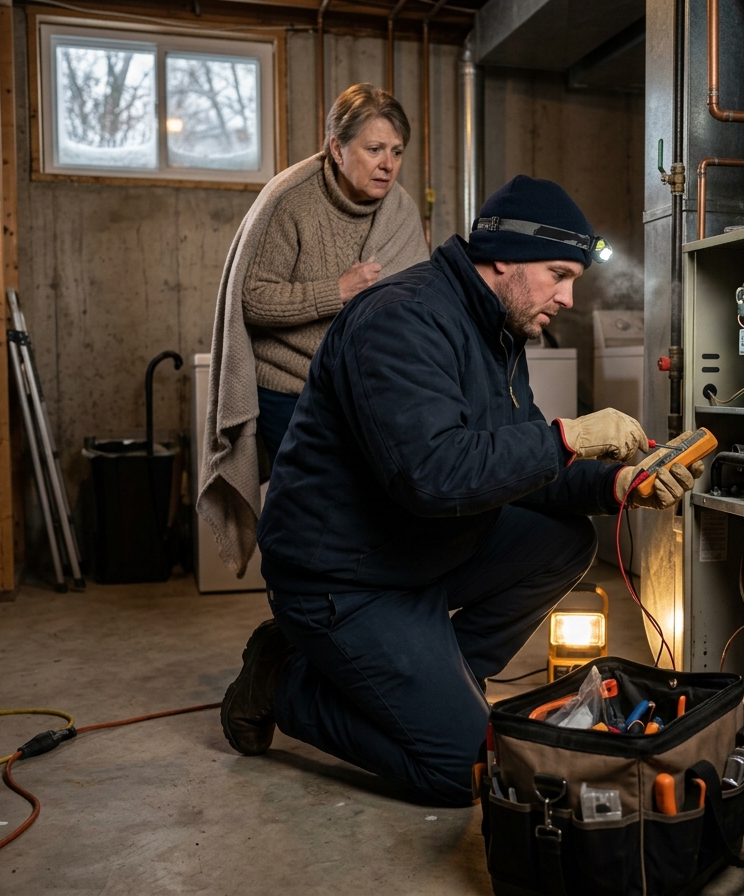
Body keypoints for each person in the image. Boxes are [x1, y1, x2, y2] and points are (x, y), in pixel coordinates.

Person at [220, 176, 705, 806]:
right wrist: (567, 437)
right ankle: (282, 679)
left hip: (412, 551)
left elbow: (517, 466)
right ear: (502, 254)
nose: (566, 297)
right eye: (558, 274)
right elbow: (432, 474)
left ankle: (445, 681)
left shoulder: (496, 327)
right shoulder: (401, 320)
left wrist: (618, 483)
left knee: (562, 541)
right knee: (468, 772)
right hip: (342, 578)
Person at [198, 84, 428, 577]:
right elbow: (251, 298)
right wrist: (337, 290)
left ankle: (351, 617)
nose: (387, 164)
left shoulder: (402, 211)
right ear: (337, 148)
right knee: (313, 515)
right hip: (290, 387)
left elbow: (417, 301)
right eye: (373, 149)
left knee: (373, 512)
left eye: (396, 152)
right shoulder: (289, 201)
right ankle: (301, 611)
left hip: (365, 388)